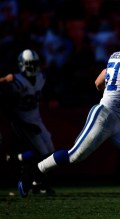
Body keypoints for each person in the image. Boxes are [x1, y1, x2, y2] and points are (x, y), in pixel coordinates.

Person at [18, 30, 120, 209]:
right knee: (74, 156)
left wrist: (116, 90)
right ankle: (33, 171)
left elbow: (98, 83)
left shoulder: (115, 57)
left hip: (117, 120)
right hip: (105, 115)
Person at [0, 49, 55, 194]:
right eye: (29, 64)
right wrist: (4, 79)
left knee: (50, 151)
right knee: (42, 152)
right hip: (23, 122)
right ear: (22, 64)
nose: (31, 67)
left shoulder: (40, 78)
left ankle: (16, 159)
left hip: (37, 120)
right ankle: (38, 182)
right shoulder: (15, 81)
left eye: (34, 64)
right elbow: (7, 106)